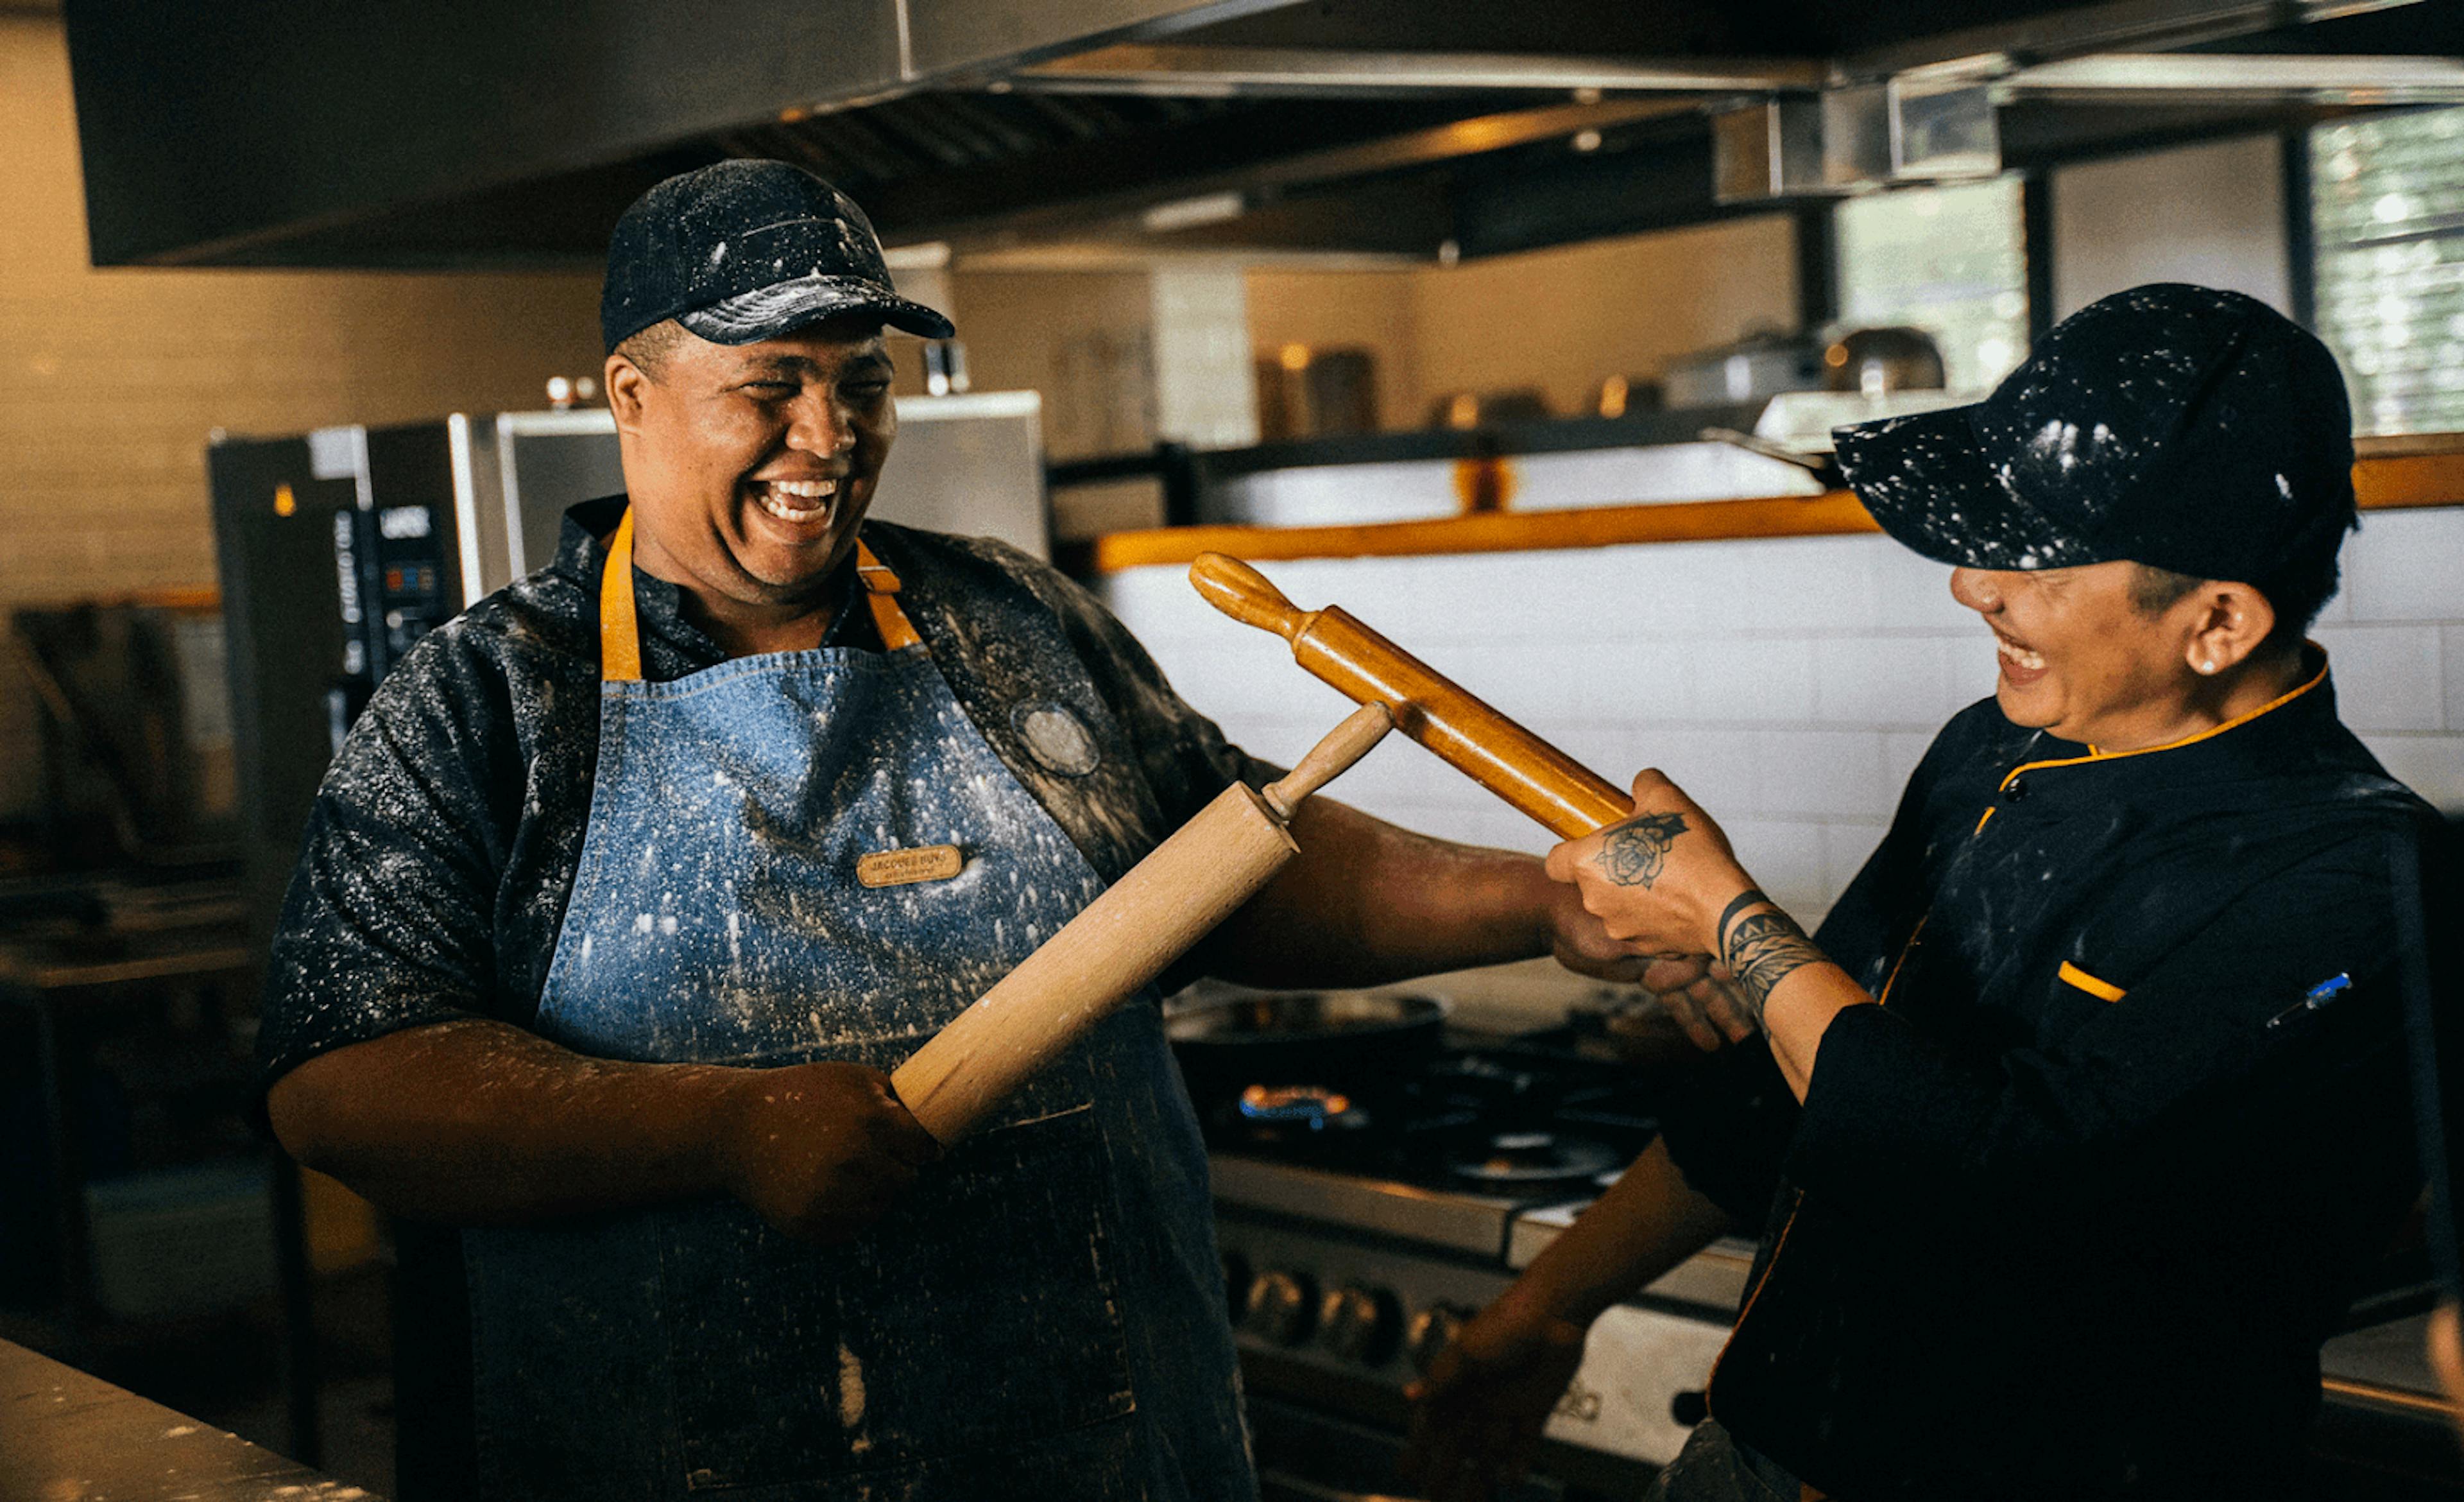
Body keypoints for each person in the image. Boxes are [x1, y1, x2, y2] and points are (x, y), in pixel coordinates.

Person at [257, 160, 1618, 1502]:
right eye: (771, 386)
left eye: (860, 381)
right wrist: (718, 1130)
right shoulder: (489, 699)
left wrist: (1547, 901)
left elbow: (1224, 865)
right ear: (633, 392)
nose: (829, 435)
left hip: (1098, 1452)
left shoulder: (1007, 623)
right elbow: (345, 1076)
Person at [1403, 284, 2450, 1501]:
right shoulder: (1989, 754)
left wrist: (1734, 927)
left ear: (2217, 622)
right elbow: (1784, 1099)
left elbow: (2004, 1174)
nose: (1974, 585)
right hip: (1753, 1462)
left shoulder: (2361, 881)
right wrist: (1543, 1311)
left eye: (2040, 559)